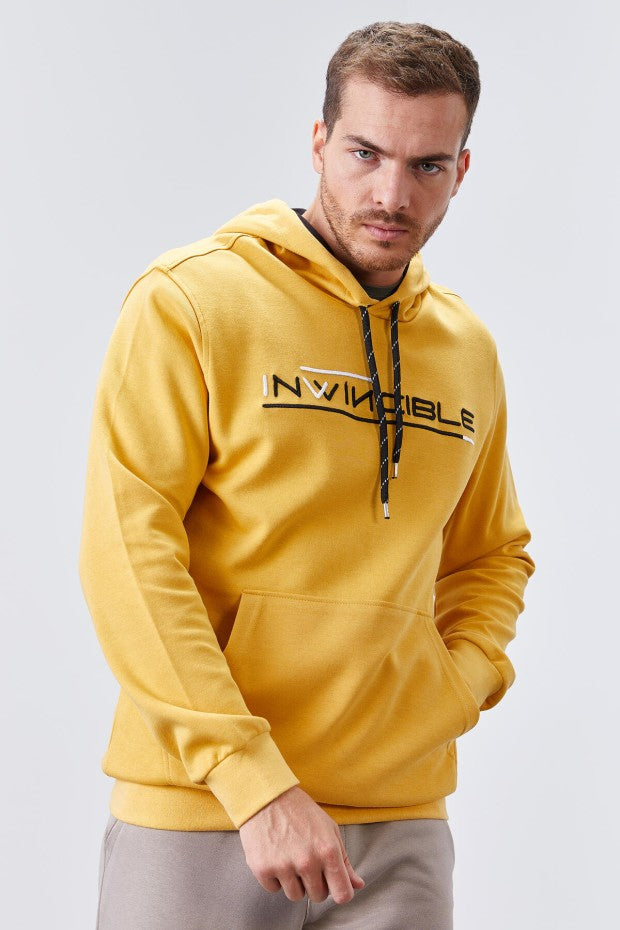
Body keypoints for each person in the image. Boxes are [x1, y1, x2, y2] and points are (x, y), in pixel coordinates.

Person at [79, 20, 535, 930]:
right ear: (319, 141)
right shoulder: (191, 302)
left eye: (427, 165)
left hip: (399, 821)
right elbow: (129, 557)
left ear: (461, 170)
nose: (391, 193)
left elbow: (491, 555)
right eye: (366, 153)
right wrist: (250, 782)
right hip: (204, 812)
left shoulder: (465, 348)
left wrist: (458, 683)